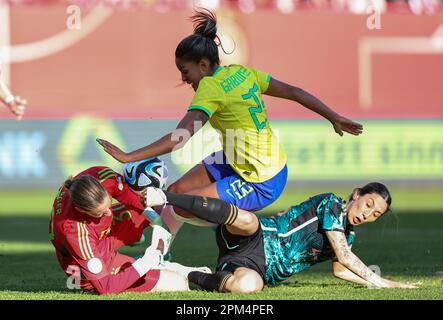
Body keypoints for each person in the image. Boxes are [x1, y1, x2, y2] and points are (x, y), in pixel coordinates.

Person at [97, 8, 363, 239]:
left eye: (185, 71)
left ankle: (246, 231)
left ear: (203, 65)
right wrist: (333, 117)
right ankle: (157, 255)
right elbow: (294, 91)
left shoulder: (209, 87)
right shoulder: (241, 71)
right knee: (176, 191)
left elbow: (180, 138)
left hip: (262, 180)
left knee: (180, 204)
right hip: (241, 158)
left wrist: (129, 155)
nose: (184, 78)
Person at [145, 182, 418, 292]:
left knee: (248, 287)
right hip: (256, 238)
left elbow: (340, 270)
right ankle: (166, 196)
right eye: (368, 204)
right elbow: (344, 257)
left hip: (256, 268)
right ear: (356, 194)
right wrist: (384, 283)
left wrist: (367, 284)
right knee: (248, 219)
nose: (367, 214)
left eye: (376, 214)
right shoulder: (332, 204)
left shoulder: (348, 235)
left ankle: (191, 273)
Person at [49, 166, 210, 295]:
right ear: (81, 210)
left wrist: (157, 221)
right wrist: (145, 262)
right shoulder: (75, 231)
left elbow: (130, 196)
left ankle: (160, 261)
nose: (108, 213)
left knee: (150, 203)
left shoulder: (101, 175)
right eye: (100, 213)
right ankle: (157, 263)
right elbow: (106, 288)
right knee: (177, 284)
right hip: (92, 258)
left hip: (102, 237)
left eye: (108, 205)